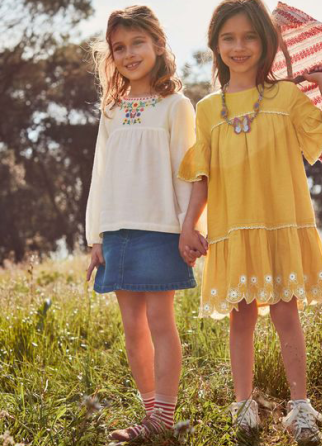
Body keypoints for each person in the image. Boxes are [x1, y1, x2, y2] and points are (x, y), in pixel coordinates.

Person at [177, 0, 322, 443]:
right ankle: (243, 405)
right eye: (229, 37)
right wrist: (189, 225)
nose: (239, 46)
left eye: (250, 37)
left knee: (287, 312)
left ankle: (300, 409)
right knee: (242, 318)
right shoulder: (208, 108)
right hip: (233, 229)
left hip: (280, 223)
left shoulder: (286, 96)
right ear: (215, 44)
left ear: (266, 43)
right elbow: (202, 175)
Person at [85, 5, 195, 441]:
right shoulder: (111, 110)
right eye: (119, 48)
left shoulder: (176, 105)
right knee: (132, 327)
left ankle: (164, 419)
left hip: (161, 230)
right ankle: (150, 415)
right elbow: (99, 174)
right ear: (111, 57)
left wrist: (189, 226)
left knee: (160, 322)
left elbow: (186, 170)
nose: (129, 54)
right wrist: (95, 236)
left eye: (137, 43)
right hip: (116, 230)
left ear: (157, 45)